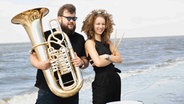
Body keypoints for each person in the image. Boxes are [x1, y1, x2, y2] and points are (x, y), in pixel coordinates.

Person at [30, 4, 88, 104]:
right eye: (68, 18)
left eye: (74, 18)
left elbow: (85, 60)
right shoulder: (46, 35)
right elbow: (33, 56)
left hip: (72, 89)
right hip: (48, 88)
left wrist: (81, 62)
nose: (71, 21)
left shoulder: (80, 38)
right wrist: (40, 65)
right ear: (59, 18)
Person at [81, 9, 122, 104]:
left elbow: (119, 59)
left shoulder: (108, 42)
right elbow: (98, 63)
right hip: (101, 82)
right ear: (92, 25)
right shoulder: (89, 43)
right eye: (98, 24)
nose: (101, 26)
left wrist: (106, 56)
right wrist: (112, 57)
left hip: (115, 80)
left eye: (103, 24)